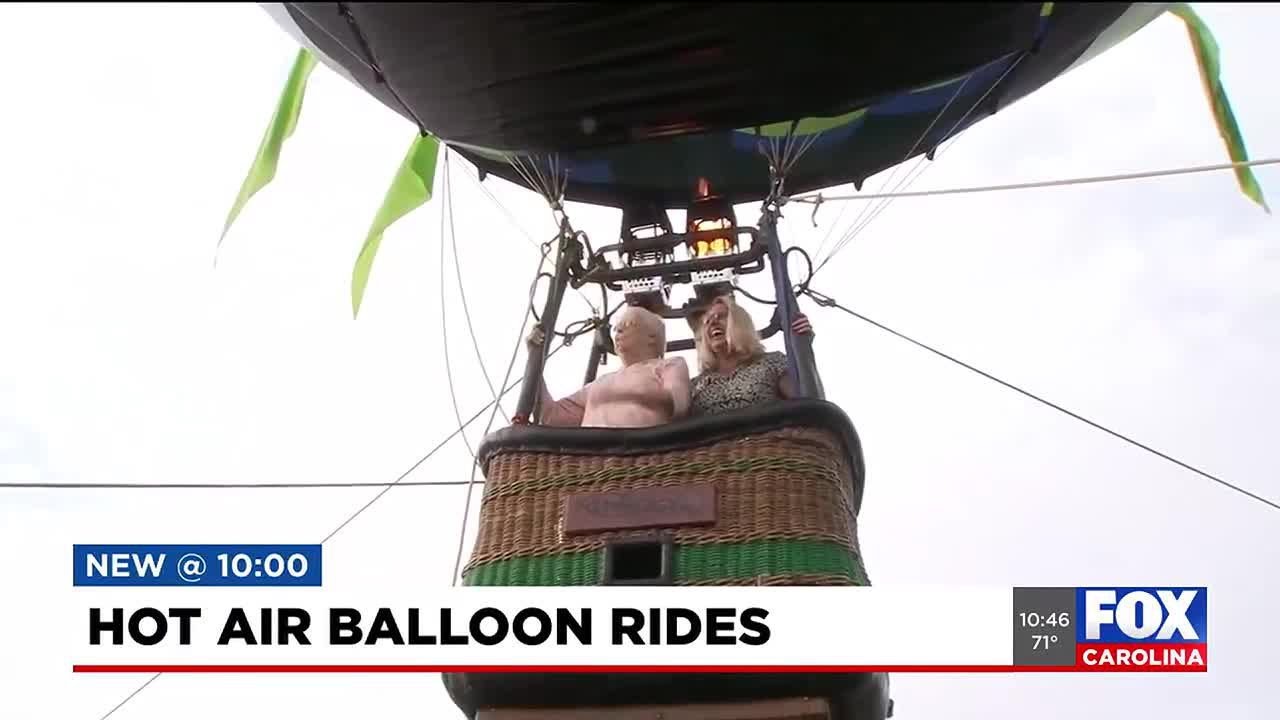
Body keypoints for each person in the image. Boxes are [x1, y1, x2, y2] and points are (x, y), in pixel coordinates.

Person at [525, 304, 691, 428]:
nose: (618, 331)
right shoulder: (601, 382)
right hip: (595, 465)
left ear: (652, 337)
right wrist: (534, 361)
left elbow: (678, 406)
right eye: (616, 328)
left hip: (644, 457)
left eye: (627, 325)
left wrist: (625, 395)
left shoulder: (669, 365)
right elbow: (549, 416)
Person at [687, 293, 814, 416]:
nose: (713, 323)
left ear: (740, 324)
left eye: (721, 316)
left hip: (768, 436)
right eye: (707, 321)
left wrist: (802, 347)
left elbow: (804, 403)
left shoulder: (772, 363)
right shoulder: (694, 386)